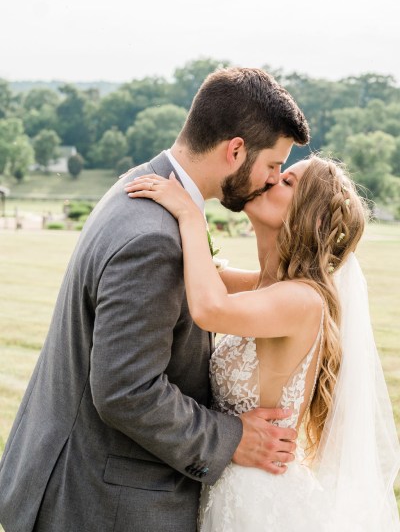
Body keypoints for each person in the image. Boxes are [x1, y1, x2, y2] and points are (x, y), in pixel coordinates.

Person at [0, 68, 310, 532]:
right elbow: (127, 390)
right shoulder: (155, 236)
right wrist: (232, 438)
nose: (271, 180)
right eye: (272, 166)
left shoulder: (142, 186)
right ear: (236, 150)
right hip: (102, 503)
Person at [124, 154, 400, 531]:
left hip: (261, 501)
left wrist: (190, 214)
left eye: (287, 182)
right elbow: (209, 276)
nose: (270, 181)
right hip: (230, 482)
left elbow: (208, 306)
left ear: (312, 218)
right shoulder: (268, 286)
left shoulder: (302, 300)